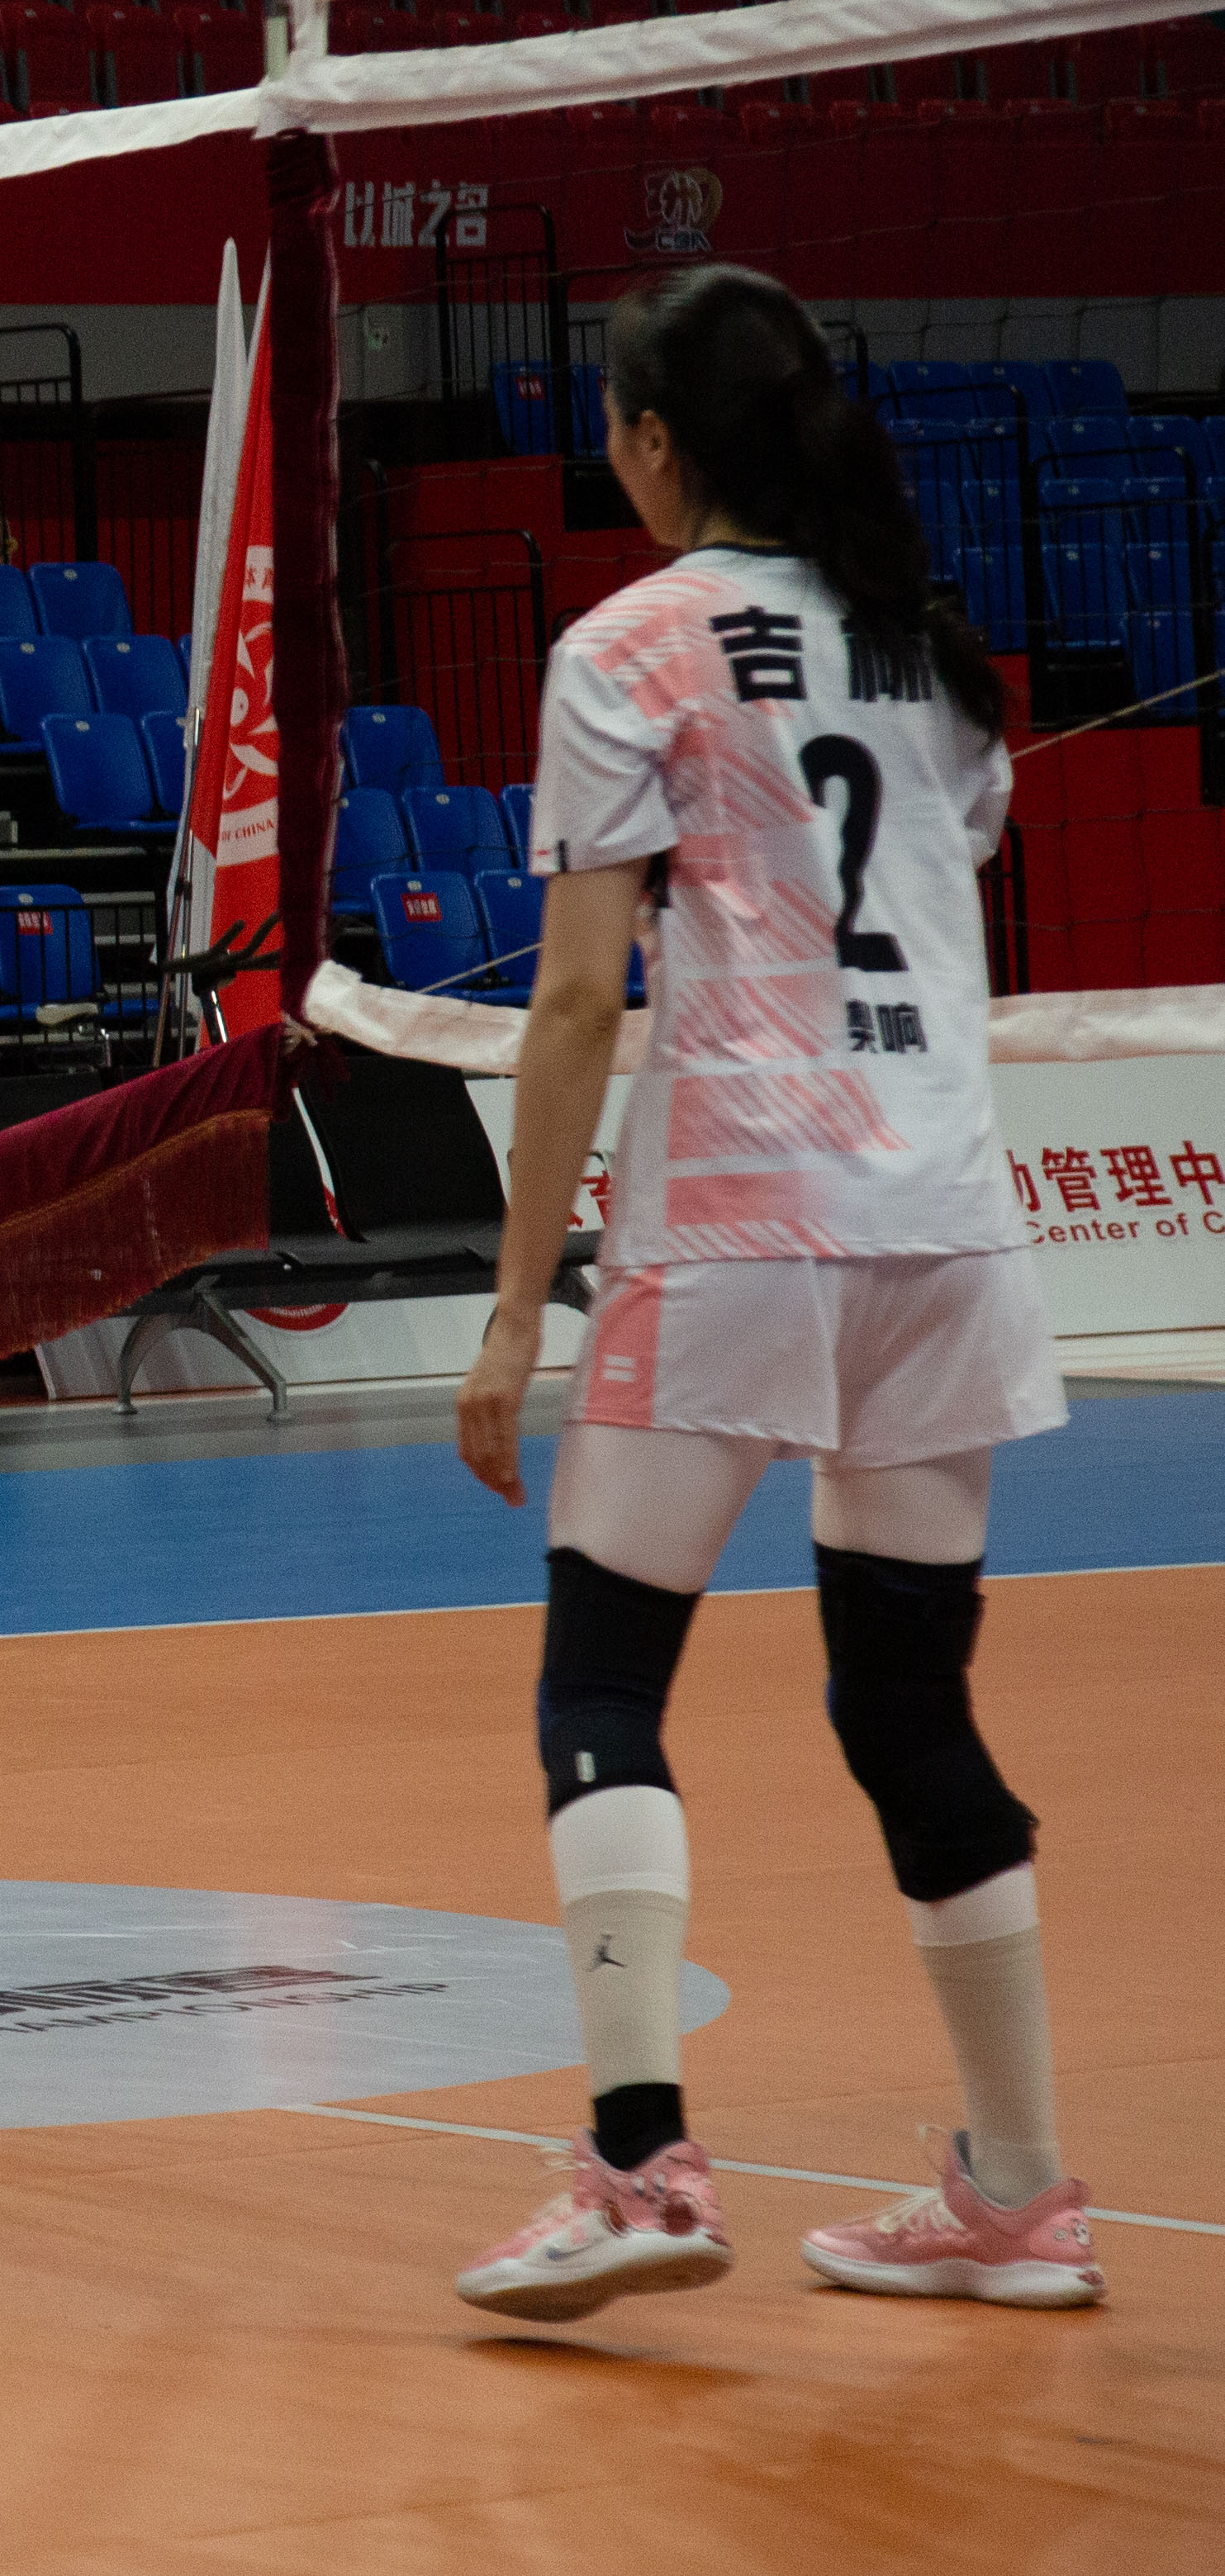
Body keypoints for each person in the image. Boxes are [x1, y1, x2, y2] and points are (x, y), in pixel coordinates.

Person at [445, 265, 1097, 2320]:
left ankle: (640, 2165)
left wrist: (508, 1304)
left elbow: (574, 1000)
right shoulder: (932, 648)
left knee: (603, 1680)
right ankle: (1019, 2191)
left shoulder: (625, 644)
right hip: (948, 1231)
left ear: (651, 440)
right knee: (909, 1700)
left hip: (739, 1220)